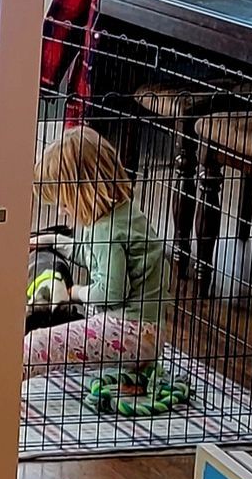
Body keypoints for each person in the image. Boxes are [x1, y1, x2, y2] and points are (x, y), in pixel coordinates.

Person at [24, 125, 183, 414]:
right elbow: (86, 251)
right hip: (148, 333)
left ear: (82, 190)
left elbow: (109, 292)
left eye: (63, 200)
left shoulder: (105, 232)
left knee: (40, 341)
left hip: (131, 334)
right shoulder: (122, 215)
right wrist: (47, 240)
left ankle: (0, 385)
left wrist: (74, 292)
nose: (61, 210)